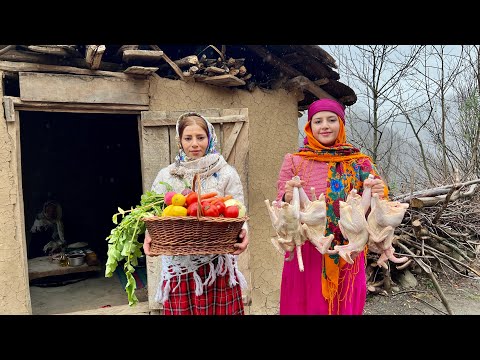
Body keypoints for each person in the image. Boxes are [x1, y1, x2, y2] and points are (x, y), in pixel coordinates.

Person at [276, 98, 388, 315]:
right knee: (306, 303)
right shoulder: (294, 161)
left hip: (349, 246)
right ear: (309, 127)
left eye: (331, 120)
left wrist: (377, 189)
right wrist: (288, 194)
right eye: (318, 121)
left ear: (341, 124)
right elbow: (282, 204)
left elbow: (381, 197)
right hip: (309, 246)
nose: (324, 126)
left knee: (345, 302)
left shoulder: (359, 162)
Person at [143, 112, 249, 315]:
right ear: (179, 140)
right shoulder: (167, 174)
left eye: (200, 137)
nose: (194, 144)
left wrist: (244, 233)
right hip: (179, 258)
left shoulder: (226, 173)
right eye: (188, 138)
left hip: (217, 261)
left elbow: (239, 210)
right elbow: (154, 213)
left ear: (210, 138)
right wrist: (150, 235)